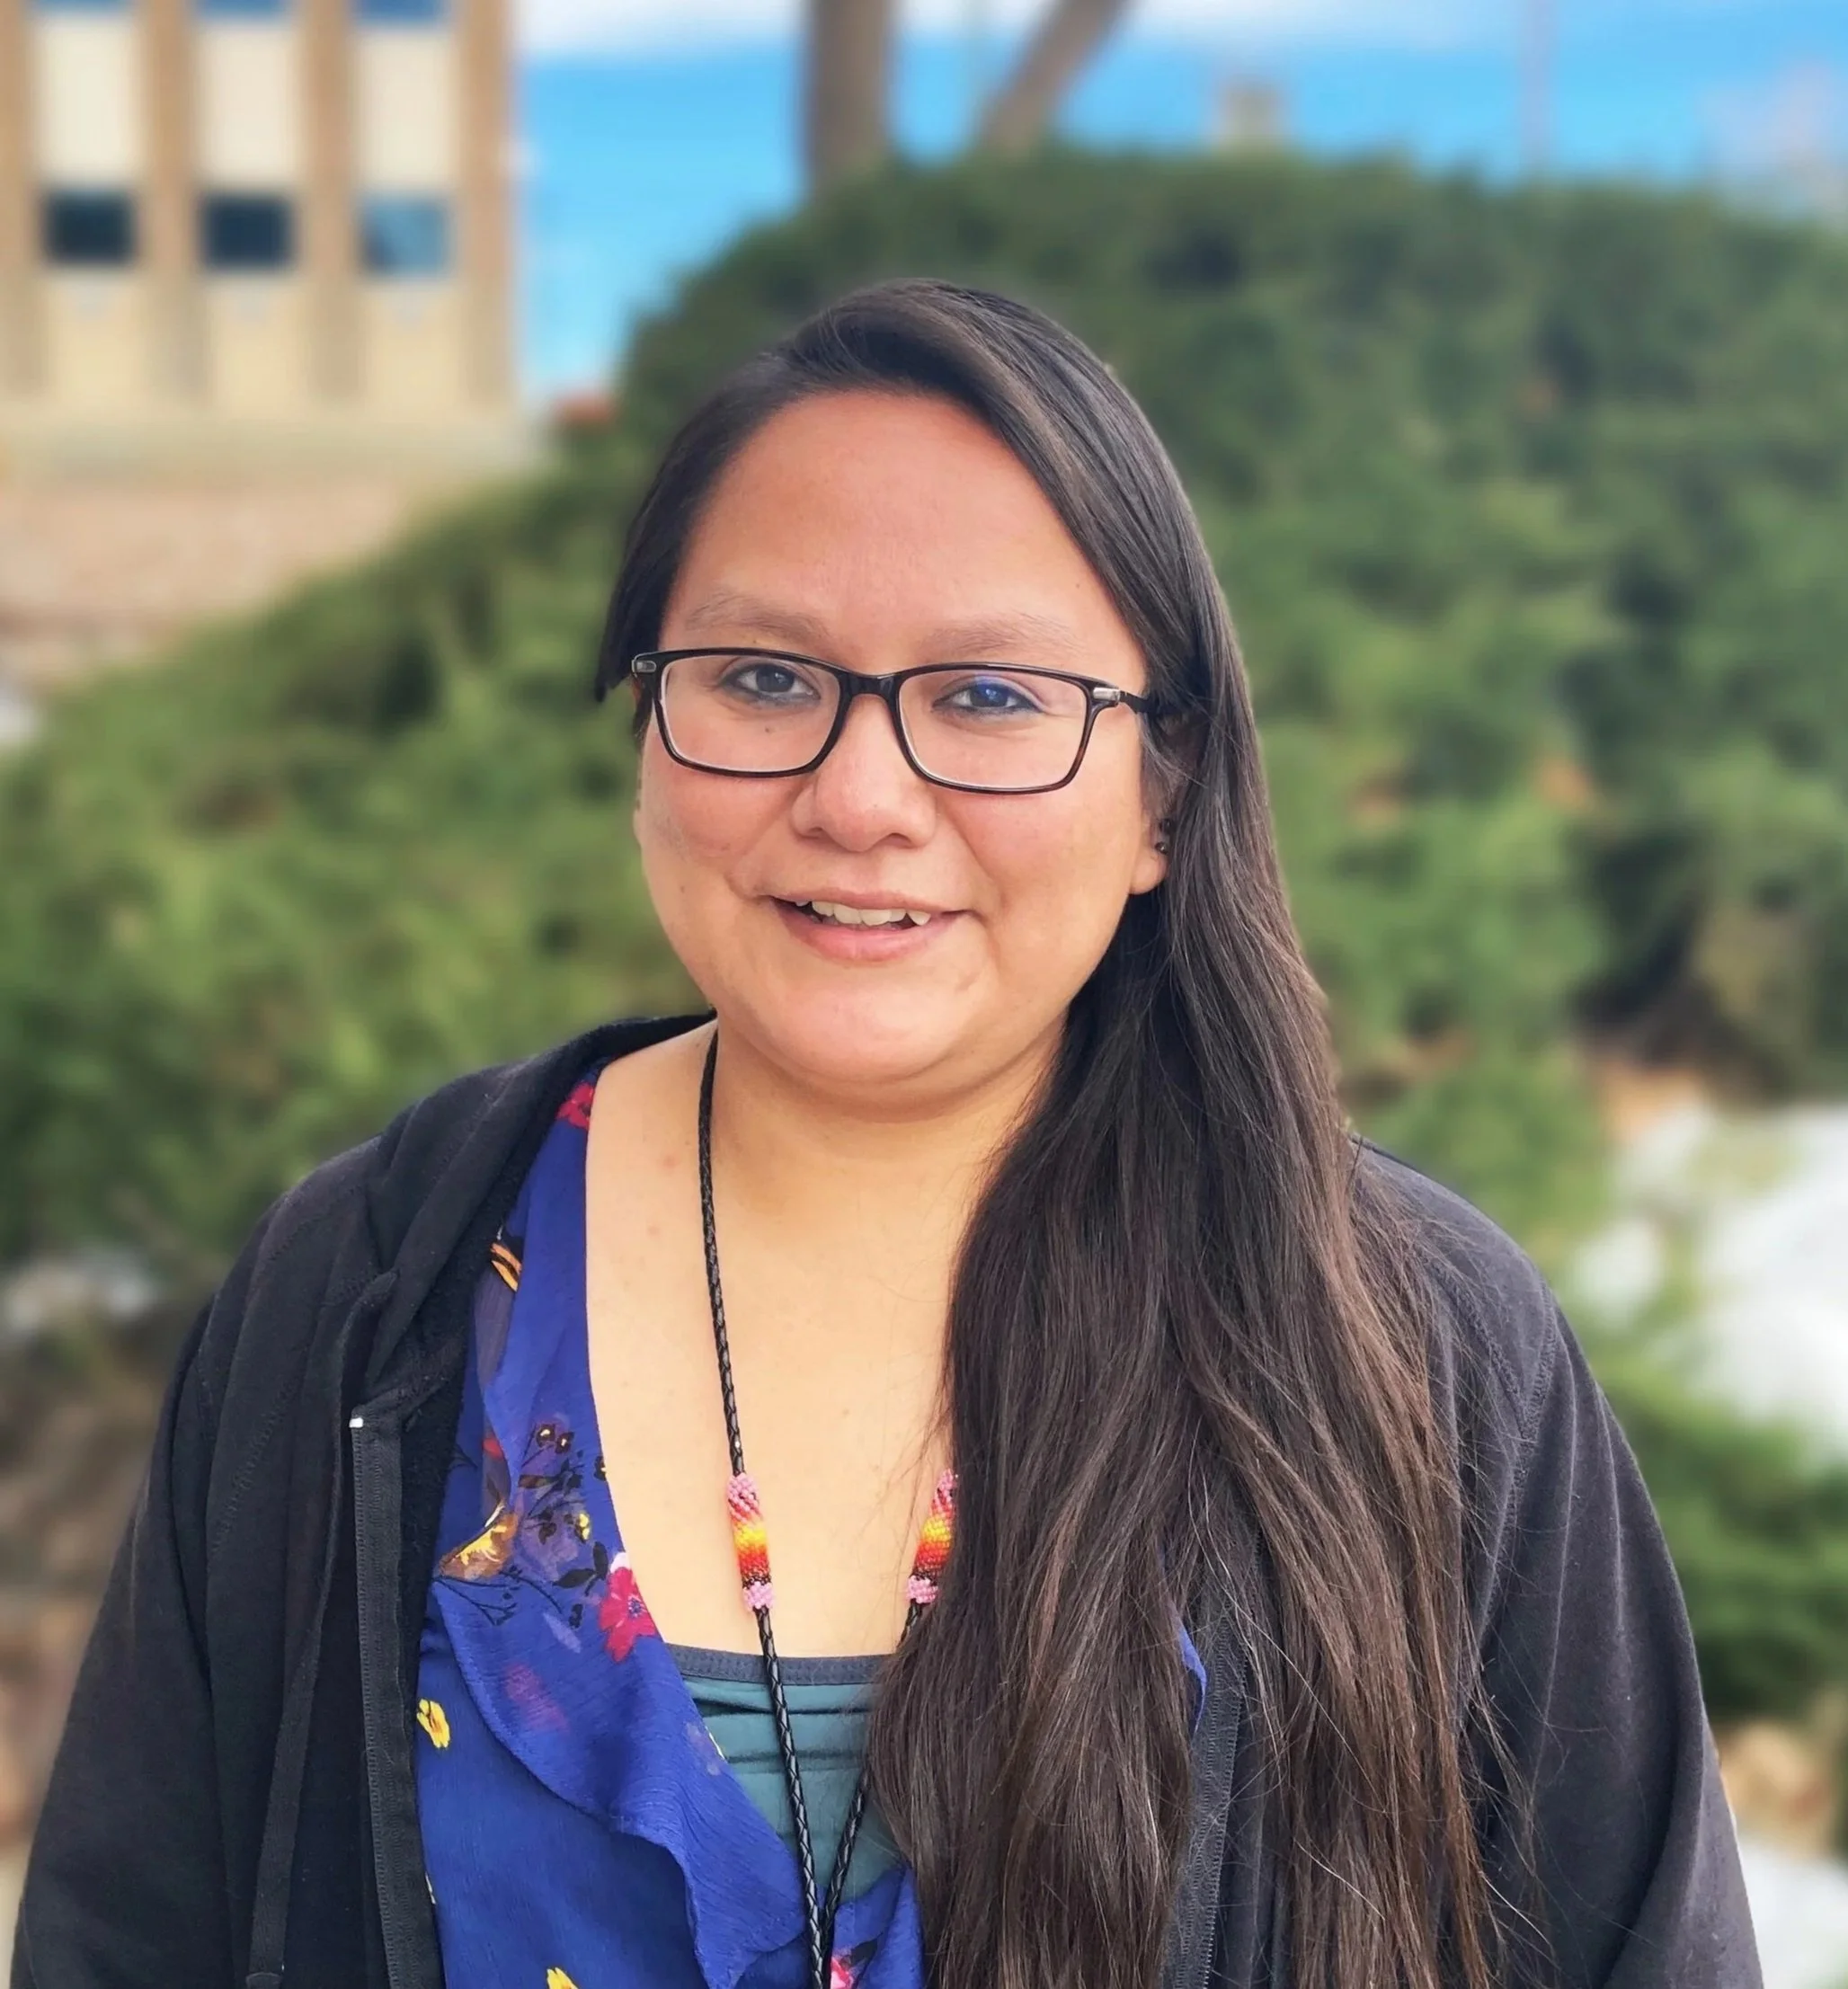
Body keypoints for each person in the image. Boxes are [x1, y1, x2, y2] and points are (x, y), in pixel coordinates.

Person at [13, 280, 1759, 1989]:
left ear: (1163, 790)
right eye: (763, 676)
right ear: (644, 729)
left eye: (989, 698)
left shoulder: (1411, 1343)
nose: (858, 796)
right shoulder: (368, 1291)